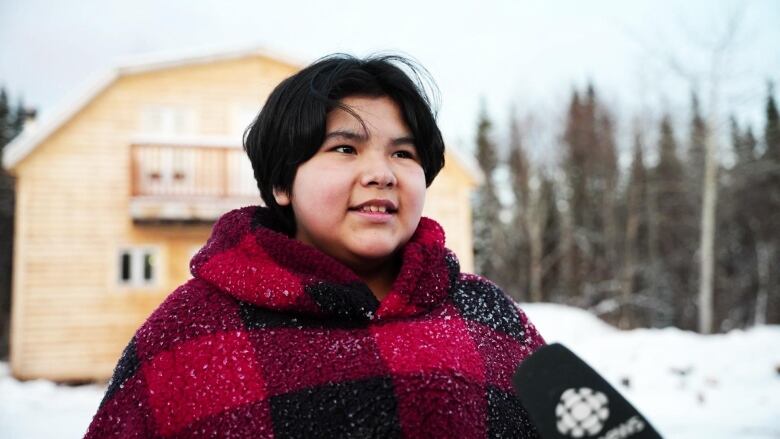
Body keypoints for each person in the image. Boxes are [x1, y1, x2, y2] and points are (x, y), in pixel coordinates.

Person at [85, 54, 545, 438]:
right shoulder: (187, 333)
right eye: (345, 148)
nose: (382, 173)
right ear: (283, 182)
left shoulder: (487, 316)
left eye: (403, 154)